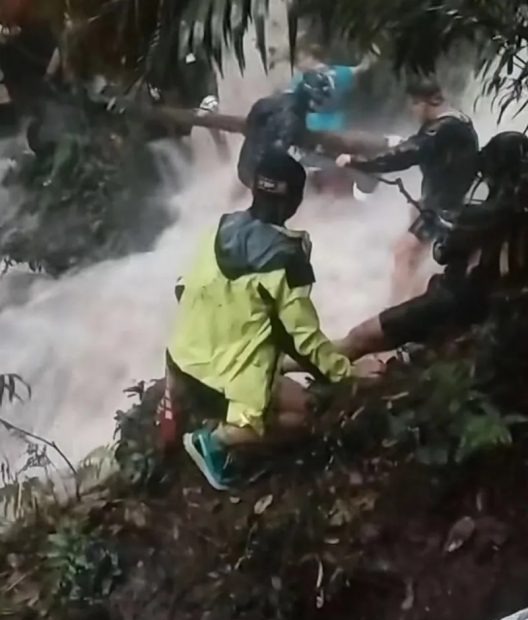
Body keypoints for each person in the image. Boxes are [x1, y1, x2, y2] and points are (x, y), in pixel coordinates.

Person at [161, 150, 354, 490]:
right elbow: (303, 340)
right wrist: (343, 379)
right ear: (295, 200)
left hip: (180, 361)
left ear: (253, 188)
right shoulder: (286, 257)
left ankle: (188, 404)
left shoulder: (219, 228)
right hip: (225, 378)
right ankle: (217, 441)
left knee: (255, 354)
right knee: (309, 416)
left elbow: (181, 288)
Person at [327, 131, 528, 363]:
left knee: (360, 338)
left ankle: (288, 367)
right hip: (483, 307)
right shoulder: (513, 209)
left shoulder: (489, 215)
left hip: (459, 303)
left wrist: (448, 224)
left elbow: (446, 252)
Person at [336, 76, 479, 304]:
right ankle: (412, 302)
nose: (412, 111)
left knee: (404, 253)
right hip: (444, 202)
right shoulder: (456, 120)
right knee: (416, 255)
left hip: (446, 208)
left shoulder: (443, 128)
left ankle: (397, 312)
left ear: (426, 102)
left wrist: (357, 161)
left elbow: (406, 154)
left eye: (413, 104)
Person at [236, 70, 332, 191]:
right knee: (302, 185)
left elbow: (249, 127)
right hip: (261, 181)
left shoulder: (266, 102)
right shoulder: (293, 119)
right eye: (319, 100)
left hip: (243, 170)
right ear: (311, 97)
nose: (320, 104)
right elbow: (283, 151)